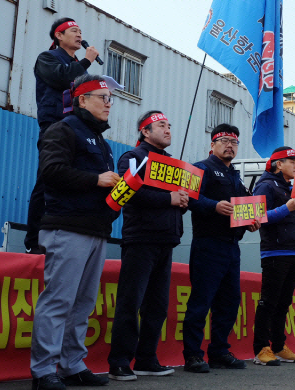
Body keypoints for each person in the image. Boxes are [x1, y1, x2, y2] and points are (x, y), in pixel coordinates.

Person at [30, 74, 120, 390]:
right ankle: (43, 371)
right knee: (58, 301)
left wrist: (119, 192)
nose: (109, 103)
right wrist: (97, 180)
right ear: (82, 99)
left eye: (111, 99)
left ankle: (72, 364)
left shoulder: (102, 142)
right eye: (103, 97)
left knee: (82, 304)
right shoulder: (63, 130)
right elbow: (51, 172)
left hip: (95, 230)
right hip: (67, 228)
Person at [108, 111, 189, 380]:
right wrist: (169, 200)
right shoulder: (132, 158)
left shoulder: (173, 164)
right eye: (161, 126)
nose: (168, 130)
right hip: (141, 239)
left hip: (166, 240)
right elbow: (129, 192)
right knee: (130, 302)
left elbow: (176, 201)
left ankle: (146, 358)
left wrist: (182, 201)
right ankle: (120, 362)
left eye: (169, 125)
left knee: (157, 305)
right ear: (145, 131)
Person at [182, 124, 260, 373]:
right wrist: (213, 206)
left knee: (229, 302)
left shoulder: (234, 174)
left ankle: (219, 351)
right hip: (208, 244)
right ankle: (193, 355)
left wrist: (249, 221)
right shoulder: (201, 168)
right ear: (212, 145)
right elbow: (190, 198)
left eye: (234, 142)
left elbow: (243, 207)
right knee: (201, 302)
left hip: (231, 247)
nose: (230, 146)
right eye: (224, 141)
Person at [25, 17, 100, 254]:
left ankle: (70, 233)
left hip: (77, 128)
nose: (79, 35)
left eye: (80, 31)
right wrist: (87, 61)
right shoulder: (47, 58)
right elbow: (61, 78)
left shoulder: (77, 64)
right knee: (47, 179)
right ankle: (33, 242)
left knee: (77, 177)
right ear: (59, 35)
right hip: (55, 126)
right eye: (74, 31)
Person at [252, 147, 295, 365]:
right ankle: (261, 348)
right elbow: (258, 216)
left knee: (283, 303)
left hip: (293, 251)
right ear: (278, 164)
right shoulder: (265, 185)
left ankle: (278, 346)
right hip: (275, 251)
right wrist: (287, 208)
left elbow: (292, 220)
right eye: (292, 161)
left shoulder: (288, 187)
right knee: (268, 302)